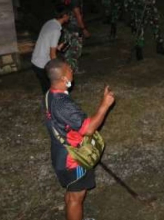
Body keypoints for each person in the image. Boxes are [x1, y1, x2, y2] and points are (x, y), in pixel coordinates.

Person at [43, 58, 115, 220]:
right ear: (63, 78)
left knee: (72, 194)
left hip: (60, 154)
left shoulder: (50, 95)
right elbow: (88, 129)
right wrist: (105, 105)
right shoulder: (63, 105)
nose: (72, 70)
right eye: (69, 69)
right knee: (77, 198)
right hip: (74, 160)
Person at [31, 5, 70, 94]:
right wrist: (60, 70)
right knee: (52, 90)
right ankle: (51, 106)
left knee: (47, 90)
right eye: (68, 15)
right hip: (42, 64)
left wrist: (57, 47)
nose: (69, 17)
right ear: (64, 16)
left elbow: (47, 42)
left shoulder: (49, 23)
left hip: (35, 61)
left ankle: (49, 105)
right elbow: (52, 55)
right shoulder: (56, 30)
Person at [62, 0, 90, 73]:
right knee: (74, 51)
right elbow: (77, 13)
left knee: (69, 49)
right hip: (74, 26)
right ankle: (70, 71)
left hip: (67, 24)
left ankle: (72, 69)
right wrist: (83, 28)